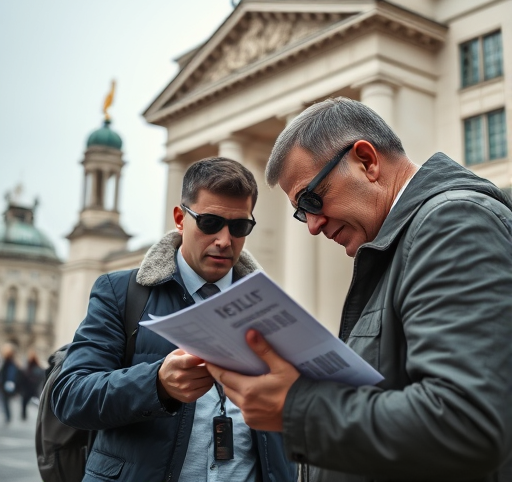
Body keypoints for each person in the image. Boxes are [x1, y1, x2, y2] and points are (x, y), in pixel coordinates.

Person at [207, 98, 512, 481]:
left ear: (366, 161)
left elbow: (465, 423)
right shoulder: (404, 244)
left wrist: (296, 407)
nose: (313, 226)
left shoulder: (453, 222)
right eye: (301, 213)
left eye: (311, 199)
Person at [51, 157, 296, 482]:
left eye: (239, 227)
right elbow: (69, 395)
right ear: (180, 218)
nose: (224, 240)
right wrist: (156, 384)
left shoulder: (270, 304)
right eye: (210, 222)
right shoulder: (121, 292)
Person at [20, 349, 45, 420]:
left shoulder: (29, 366)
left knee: (25, 402)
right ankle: (39, 415)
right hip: (33, 388)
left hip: (30, 388)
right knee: (35, 402)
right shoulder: (34, 366)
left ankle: (24, 416)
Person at [0, 342, 20, 424]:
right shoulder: (8, 361)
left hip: (5, 384)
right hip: (5, 384)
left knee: (5, 401)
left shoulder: (9, 362)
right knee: (5, 401)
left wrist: (9, 383)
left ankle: (8, 417)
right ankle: (7, 416)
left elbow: (10, 374)